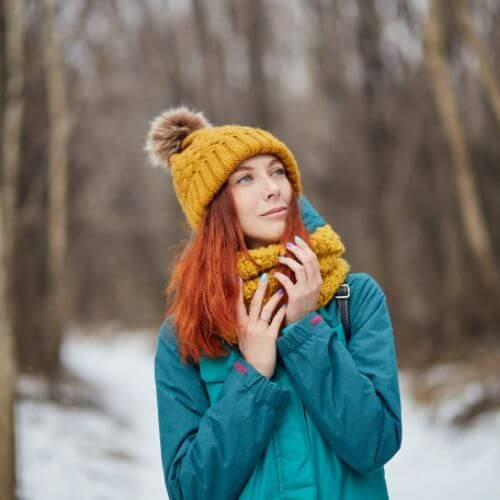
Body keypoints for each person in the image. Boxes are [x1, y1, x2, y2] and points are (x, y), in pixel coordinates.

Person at [145, 105, 402, 500]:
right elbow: (192, 490)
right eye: (245, 178)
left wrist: (305, 332)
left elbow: (375, 444)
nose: (273, 188)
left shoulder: (354, 298)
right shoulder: (186, 334)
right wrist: (252, 377)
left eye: (277, 171)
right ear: (214, 208)